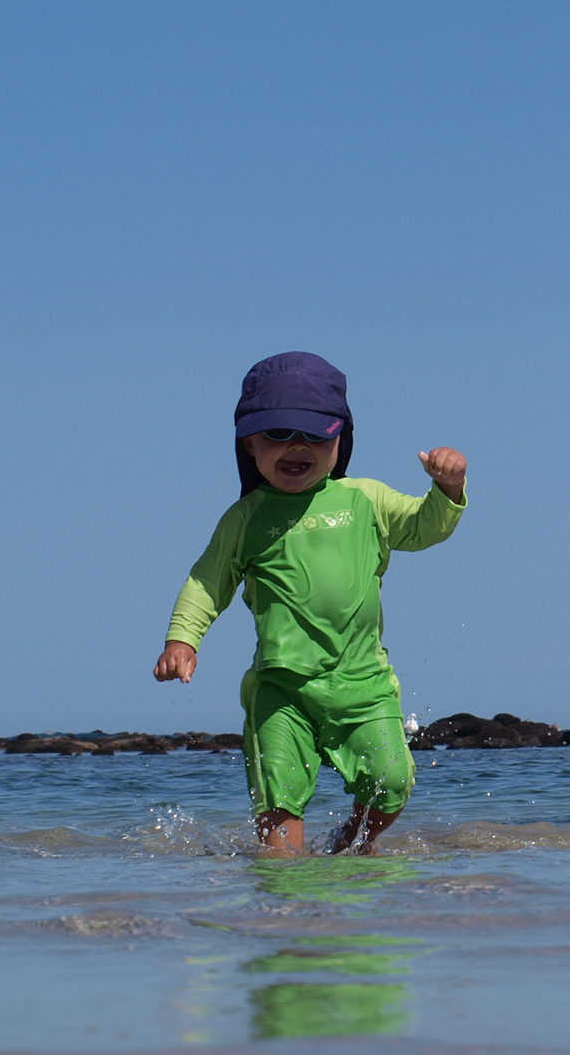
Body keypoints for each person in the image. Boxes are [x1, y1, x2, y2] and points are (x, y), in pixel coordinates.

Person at [154, 351, 468, 854]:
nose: (296, 447)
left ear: (340, 438)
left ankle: (352, 842)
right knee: (279, 802)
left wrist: (447, 487)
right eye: (278, 434)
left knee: (391, 782)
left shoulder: (365, 500)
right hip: (282, 692)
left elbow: (422, 527)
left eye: (314, 434)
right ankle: (285, 886)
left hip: (363, 686)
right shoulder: (245, 518)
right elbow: (207, 582)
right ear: (249, 443)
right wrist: (182, 640)